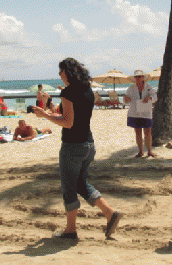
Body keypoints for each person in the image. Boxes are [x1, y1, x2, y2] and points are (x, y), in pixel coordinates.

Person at [32, 58, 122, 239]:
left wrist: (44, 115)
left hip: (73, 146)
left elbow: (68, 122)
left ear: (66, 72)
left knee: (69, 187)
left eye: (60, 72)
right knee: (81, 184)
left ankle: (71, 230)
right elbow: (68, 112)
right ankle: (110, 213)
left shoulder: (68, 92)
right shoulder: (87, 89)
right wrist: (50, 106)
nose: (60, 75)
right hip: (88, 145)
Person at [123, 70, 158, 158]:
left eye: (139, 76)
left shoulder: (149, 87)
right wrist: (126, 99)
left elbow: (155, 97)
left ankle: (149, 151)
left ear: (143, 77)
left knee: (148, 132)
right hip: (134, 113)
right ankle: (141, 151)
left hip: (146, 112)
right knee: (138, 132)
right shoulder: (130, 88)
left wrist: (150, 97)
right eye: (136, 77)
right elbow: (126, 101)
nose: (137, 78)